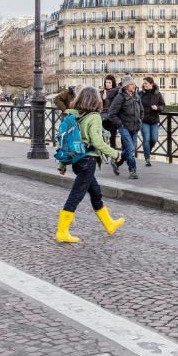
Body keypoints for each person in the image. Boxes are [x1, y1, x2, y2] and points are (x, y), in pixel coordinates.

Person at [54, 86, 125, 244]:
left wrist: (62, 165)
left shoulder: (74, 116)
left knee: (96, 192)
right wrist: (116, 154)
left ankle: (109, 224)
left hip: (78, 161)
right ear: (95, 100)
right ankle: (62, 231)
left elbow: (66, 142)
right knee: (76, 196)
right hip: (88, 161)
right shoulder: (94, 117)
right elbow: (97, 142)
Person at [106, 76, 143, 179]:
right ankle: (132, 171)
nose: (134, 86)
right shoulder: (120, 97)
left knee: (128, 150)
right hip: (124, 127)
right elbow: (112, 114)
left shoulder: (136, 96)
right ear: (126, 86)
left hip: (135, 127)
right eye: (132, 84)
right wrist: (120, 125)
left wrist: (140, 121)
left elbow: (142, 110)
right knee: (131, 149)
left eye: (134, 84)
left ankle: (117, 163)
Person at [138, 76, 166, 167]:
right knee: (146, 139)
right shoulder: (140, 94)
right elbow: (136, 104)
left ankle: (147, 152)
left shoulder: (157, 94)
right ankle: (147, 159)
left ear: (151, 84)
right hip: (144, 120)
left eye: (146, 83)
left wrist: (157, 108)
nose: (144, 85)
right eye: (143, 83)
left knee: (154, 139)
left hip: (154, 120)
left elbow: (163, 106)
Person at [101, 75, 119, 149]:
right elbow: (98, 105)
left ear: (113, 83)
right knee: (102, 138)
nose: (107, 84)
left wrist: (107, 98)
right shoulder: (101, 92)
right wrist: (103, 99)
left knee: (112, 138)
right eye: (106, 82)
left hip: (112, 118)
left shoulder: (116, 93)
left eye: (109, 82)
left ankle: (113, 157)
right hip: (103, 117)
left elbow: (117, 104)